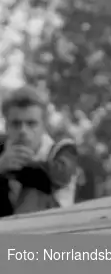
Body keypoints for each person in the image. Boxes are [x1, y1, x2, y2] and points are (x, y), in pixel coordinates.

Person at [0, 86, 79, 217]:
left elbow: (55, 178)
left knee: (34, 192)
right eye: (16, 124)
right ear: (6, 126)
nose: (23, 131)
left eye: (31, 124)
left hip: (51, 229)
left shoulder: (62, 150)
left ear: (44, 125)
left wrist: (13, 167)